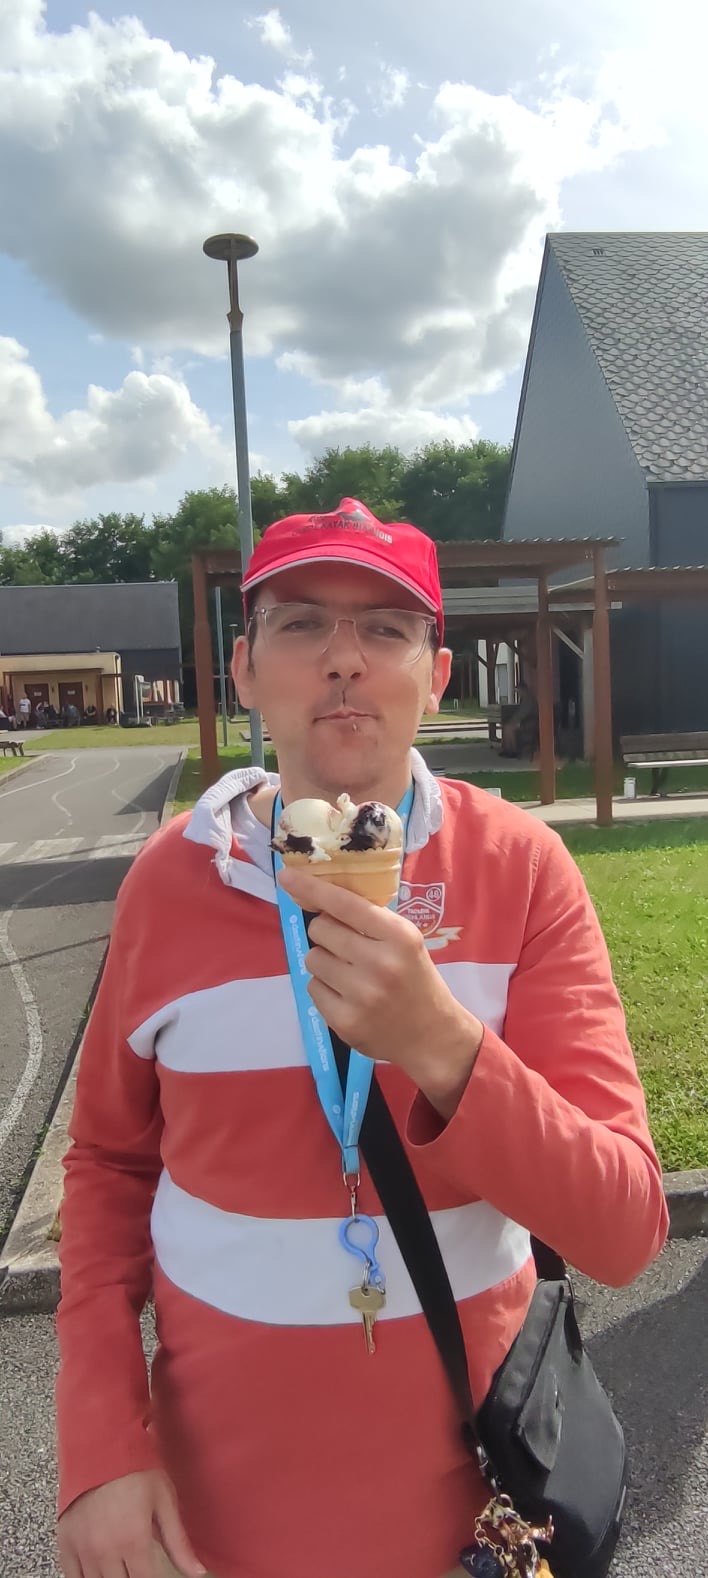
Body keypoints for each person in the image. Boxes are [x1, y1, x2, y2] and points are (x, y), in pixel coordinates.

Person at [55, 499, 668, 1578]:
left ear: (437, 676)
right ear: (243, 670)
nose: (344, 658)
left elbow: (623, 1232)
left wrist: (442, 1047)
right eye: (301, 623)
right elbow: (108, 1166)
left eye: (386, 628)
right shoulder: (168, 881)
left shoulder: (521, 869)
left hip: (479, 1515)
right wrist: (101, 1442)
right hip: (217, 1518)